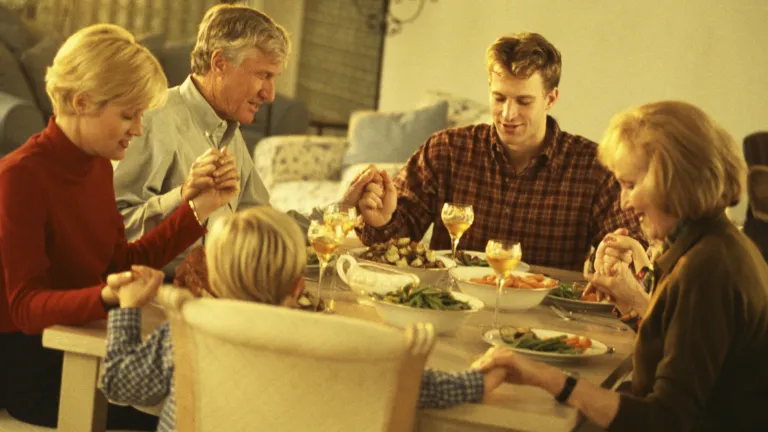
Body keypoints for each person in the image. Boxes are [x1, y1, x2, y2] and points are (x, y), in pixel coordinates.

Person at [475, 101, 768, 431]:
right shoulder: (716, 242)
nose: (623, 202)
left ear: (673, 181)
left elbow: (666, 420)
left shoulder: (707, 268)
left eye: (630, 186)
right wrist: (639, 309)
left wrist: (548, 378)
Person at [0, 24, 238, 429]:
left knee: (214, 390)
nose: (139, 129)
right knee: (196, 412)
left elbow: (119, 261)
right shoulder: (19, 177)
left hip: (88, 341)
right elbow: (25, 307)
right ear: (81, 102)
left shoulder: (94, 165)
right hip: (33, 364)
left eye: (141, 115)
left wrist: (200, 208)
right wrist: (107, 296)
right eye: (128, 115)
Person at [99, 207, 508, 432]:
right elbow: (429, 388)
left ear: (211, 276)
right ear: (298, 287)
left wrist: (129, 309)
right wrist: (491, 373)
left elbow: (118, 383)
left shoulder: (186, 331)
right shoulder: (345, 350)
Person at [112, 3, 373, 278]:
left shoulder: (229, 133)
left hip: (221, 290)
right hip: (159, 294)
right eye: (263, 75)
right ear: (219, 63)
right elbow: (115, 229)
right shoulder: (153, 121)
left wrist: (342, 209)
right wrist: (186, 201)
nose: (270, 94)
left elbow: (264, 227)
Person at [355, 32, 642, 271]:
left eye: (523, 101)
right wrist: (382, 221)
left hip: (549, 320)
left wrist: (612, 257)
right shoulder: (447, 150)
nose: (508, 113)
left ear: (551, 98)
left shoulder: (594, 167)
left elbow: (631, 251)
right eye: (499, 98)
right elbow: (394, 249)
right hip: (454, 305)